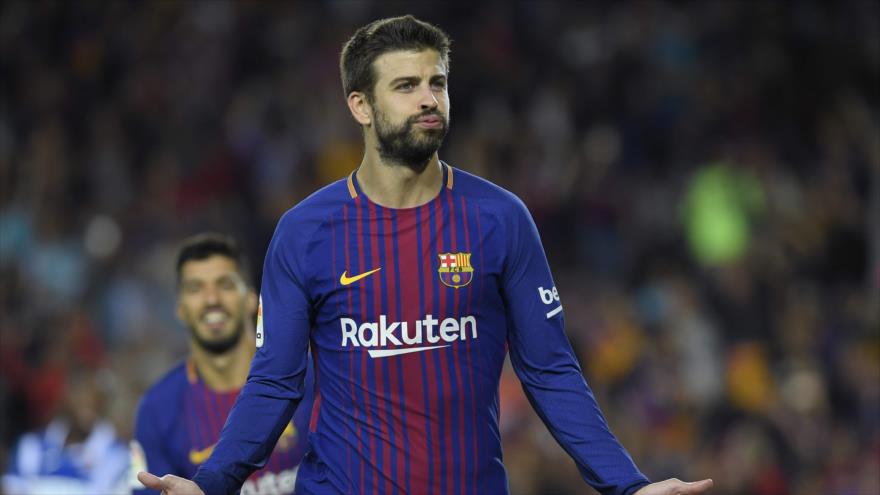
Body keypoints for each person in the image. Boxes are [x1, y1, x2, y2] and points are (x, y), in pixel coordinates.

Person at [139, 15, 714, 495]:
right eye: (406, 85)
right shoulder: (304, 233)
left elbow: (549, 371)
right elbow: (275, 383)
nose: (428, 99)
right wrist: (211, 484)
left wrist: (628, 485)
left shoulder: (501, 219)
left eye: (437, 82)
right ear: (360, 106)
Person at [132, 233, 313, 495]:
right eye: (196, 289)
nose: (212, 299)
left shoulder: (313, 378)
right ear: (180, 309)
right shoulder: (157, 409)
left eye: (225, 285)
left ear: (251, 299)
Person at [3, 369, 130, 495]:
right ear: (66, 397)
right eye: (81, 398)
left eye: (96, 401)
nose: (88, 407)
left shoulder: (117, 456)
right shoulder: (31, 446)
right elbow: (12, 489)